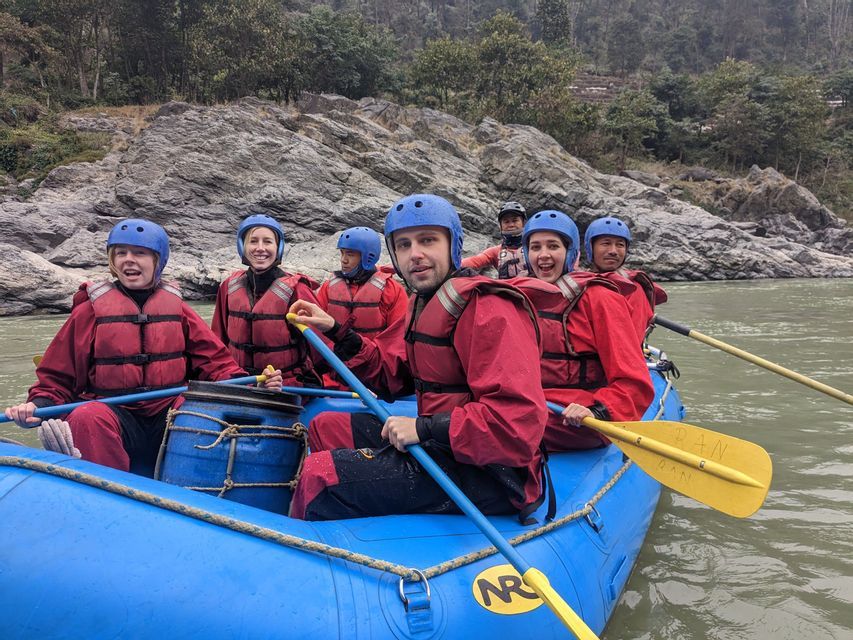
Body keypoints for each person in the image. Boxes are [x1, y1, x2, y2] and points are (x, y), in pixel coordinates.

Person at [288, 194, 548, 522]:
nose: (416, 255)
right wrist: (336, 329)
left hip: (493, 472)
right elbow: (393, 375)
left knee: (319, 475)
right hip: (442, 443)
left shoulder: (490, 308)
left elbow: (516, 426)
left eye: (428, 241)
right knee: (326, 426)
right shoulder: (423, 301)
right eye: (404, 245)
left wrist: (424, 429)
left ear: (453, 245)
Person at [3, 218, 282, 475]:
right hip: (113, 411)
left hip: (168, 410)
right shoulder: (89, 311)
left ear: (157, 260)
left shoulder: (178, 310)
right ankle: (109, 493)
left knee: (196, 409)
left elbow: (216, 364)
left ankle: (191, 491)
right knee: (87, 415)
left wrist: (252, 386)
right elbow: (57, 376)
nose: (129, 260)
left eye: (139, 253)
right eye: (121, 253)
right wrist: (37, 406)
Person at [516, 210, 654, 451]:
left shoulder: (601, 298)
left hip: (579, 418)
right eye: (536, 247)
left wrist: (598, 410)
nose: (544, 255)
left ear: (570, 253)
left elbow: (635, 382)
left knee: (494, 425)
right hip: (530, 406)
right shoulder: (520, 296)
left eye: (553, 246)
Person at [211, 213, 326, 386]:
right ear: (242, 246)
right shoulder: (228, 287)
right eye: (253, 241)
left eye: (267, 241)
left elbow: (322, 350)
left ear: (278, 247)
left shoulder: (298, 290)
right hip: (241, 381)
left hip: (288, 385)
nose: (260, 248)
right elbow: (217, 341)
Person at [314, 226, 409, 389]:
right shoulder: (328, 288)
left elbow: (398, 343)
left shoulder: (393, 291)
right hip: (334, 373)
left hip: (372, 376)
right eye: (342, 253)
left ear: (368, 257)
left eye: (350, 254)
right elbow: (315, 335)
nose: (343, 260)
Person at [583, 215, 668, 344]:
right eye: (606, 243)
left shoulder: (634, 289)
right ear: (590, 248)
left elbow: (629, 343)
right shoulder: (581, 283)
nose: (613, 251)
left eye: (620, 245)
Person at [461, 201, 528, 278]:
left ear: (523, 222)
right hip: (507, 289)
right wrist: (453, 265)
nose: (511, 225)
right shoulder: (495, 252)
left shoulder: (532, 247)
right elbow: (475, 261)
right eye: (506, 221)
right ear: (501, 225)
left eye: (515, 220)